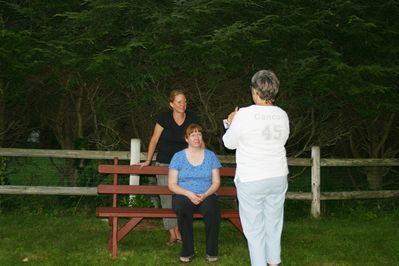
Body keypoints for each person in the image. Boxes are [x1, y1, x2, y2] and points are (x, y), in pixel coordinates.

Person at [222, 70, 289, 266]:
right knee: (273, 225)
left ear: (254, 91)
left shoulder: (244, 114)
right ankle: (274, 263)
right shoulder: (282, 115)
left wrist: (230, 122)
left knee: (254, 229)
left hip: (252, 178)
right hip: (277, 175)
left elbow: (229, 143)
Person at [139, 89, 199, 245]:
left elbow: (196, 140)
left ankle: (180, 229)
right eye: (179, 102)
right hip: (164, 163)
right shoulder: (164, 117)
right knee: (166, 199)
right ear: (171, 104)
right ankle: (173, 233)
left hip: (185, 165)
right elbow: (154, 139)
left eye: (185, 101)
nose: (183, 105)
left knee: (183, 198)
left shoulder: (192, 118)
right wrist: (148, 161)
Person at [168, 124, 221, 263]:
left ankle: (212, 251)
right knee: (182, 207)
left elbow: (216, 182)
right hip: (184, 194)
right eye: (193, 135)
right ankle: (188, 250)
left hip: (207, 194)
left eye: (199, 134)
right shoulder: (178, 157)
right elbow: (172, 184)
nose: (197, 137)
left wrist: (205, 194)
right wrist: (189, 194)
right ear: (187, 139)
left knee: (212, 210)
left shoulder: (210, 156)